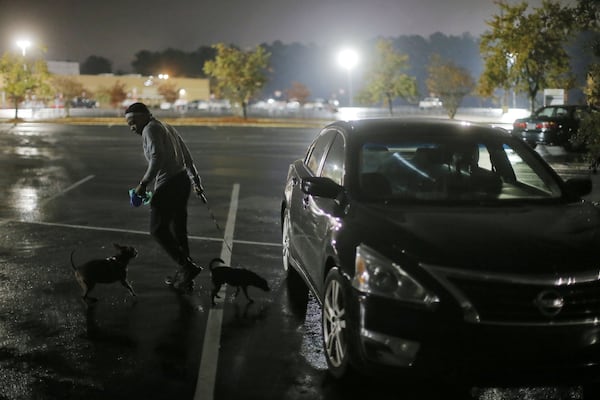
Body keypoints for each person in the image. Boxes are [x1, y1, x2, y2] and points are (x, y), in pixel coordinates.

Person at [125, 102, 204, 293]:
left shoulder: (150, 129)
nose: (132, 127)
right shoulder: (166, 126)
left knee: (157, 229)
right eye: (129, 124)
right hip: (182, 181)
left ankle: (186, 267)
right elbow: (187, 156)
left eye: (133, 122)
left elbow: (157, 158)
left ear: (144, 116)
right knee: (179, 231)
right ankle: (185, 276)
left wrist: (143, 184)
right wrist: (196, 181)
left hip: (168, 184)